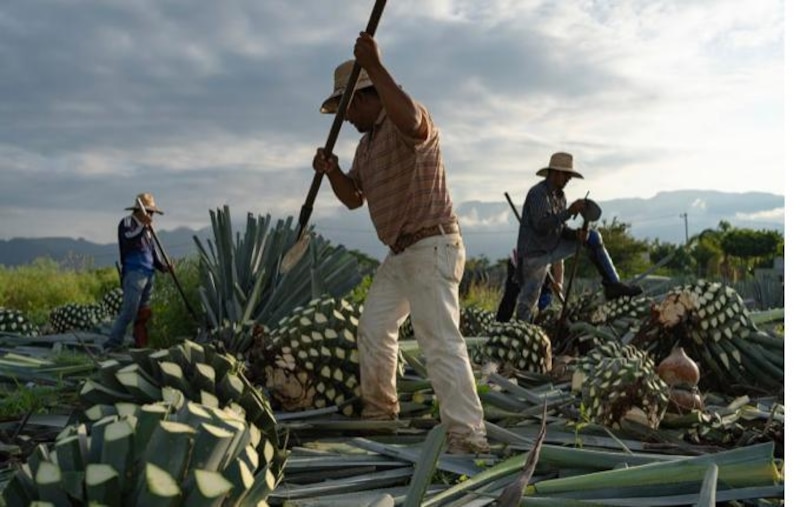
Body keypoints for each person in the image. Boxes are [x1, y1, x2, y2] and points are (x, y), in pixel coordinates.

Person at [312, 33, 490, 454]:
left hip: (432, 244)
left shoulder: (405, 120)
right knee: (373, 329)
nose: (346, 118)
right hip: (399, 253)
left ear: (359, 100)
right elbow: (354, 198)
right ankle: (380, 411)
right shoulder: (365, 146)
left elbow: (412, 121)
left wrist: (374, 65)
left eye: (345, 108)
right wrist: (333, 171)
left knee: (439, 340)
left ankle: (468, 436)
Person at [514, 152, 642, 323]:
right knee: (529, 300)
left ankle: (613, 284)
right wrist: (570, 212)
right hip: (534, 253)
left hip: (552, 246)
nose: (568, 179)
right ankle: (521, 331)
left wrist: (575, 235)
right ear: (555, 173)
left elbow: (559, 228)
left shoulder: (560, 197)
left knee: (593, 238)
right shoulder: (538, 193)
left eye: (569, 176)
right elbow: (542, 225)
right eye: (566, 175)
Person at [102, 193, 171, 351]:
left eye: (152, 212)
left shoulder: (147, 230)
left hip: (149, 273)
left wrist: (164, 267)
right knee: (129, 311)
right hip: (134, 272)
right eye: (149, 211)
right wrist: (142, 226)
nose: (151, 215)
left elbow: (152, 252)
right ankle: (112, 344)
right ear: (140, 211)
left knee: (143, 312)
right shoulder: (128, 223)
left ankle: (140, 344)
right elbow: (129, 237)